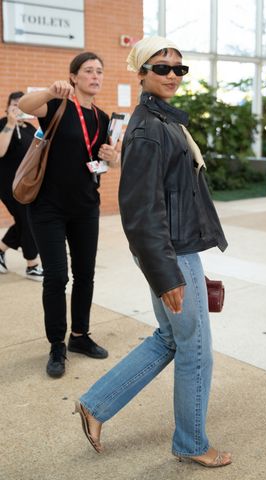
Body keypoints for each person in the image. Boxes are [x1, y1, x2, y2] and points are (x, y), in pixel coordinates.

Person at [74, 37, 232, 468]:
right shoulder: (148, 129)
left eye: (179, 69)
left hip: (174, 247)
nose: (172, 76)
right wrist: (166, 276)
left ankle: (96, 404)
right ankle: (192, 442)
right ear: (141, 72)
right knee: (196, 348)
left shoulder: (164, 121)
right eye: (162, 68)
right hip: (171, 253)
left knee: (170, 338)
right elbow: (140, 210)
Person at [18, 52, 120, 378]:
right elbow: (24, 106)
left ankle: (80, 336)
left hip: (86, 207)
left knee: (85, 275)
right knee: (56, 277)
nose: (95, 76)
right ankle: (56, 345)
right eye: (88, 71)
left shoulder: (103, 119)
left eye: (99, 71)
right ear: (74, 76)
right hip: (47, 207)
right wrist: (50, 91)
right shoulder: (58, 106)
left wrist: (112, 158)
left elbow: (102, 164)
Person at [0, 91, 43, 280]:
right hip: (8, 184)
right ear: (8, 106)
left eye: (21, 103)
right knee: (28, 220)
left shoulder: (29, 127)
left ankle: (0, 250)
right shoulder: (3, 124)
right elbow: (0, 151)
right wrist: (10, 123)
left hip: (27, 185)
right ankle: (32, 264)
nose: (18, 106)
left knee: (24, 220)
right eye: (14, 103)